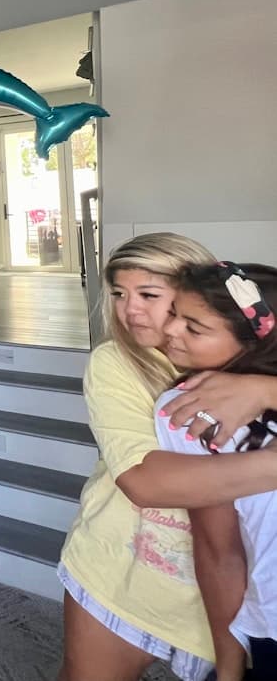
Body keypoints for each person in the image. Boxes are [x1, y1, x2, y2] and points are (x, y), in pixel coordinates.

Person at [57, 233, 277, 681]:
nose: (130, 309)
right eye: (119, 294)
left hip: (228, 597)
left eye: (150, 295)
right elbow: (145, 482)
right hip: (125, 571)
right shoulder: (116, 363)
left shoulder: (253, 364)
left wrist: (265, 388)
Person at [157, 262, 277, 681]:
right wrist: (228, 669)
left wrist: (265, 390)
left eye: (194, 326)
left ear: (251, 343)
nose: (169, 330)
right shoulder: (188, 409)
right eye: (173, 314)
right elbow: (218, 549)